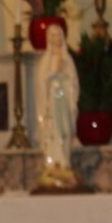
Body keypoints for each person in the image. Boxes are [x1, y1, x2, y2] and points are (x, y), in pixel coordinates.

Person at [34, 24, 81, 189]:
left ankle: (64, 162)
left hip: (64, 101)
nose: (57, 39)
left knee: (65, 130)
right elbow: (41, 83)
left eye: (59, 35)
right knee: (53, 131)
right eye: (53, 35)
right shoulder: (45, 61)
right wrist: (52, 74)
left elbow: (74, 82)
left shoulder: (68, 59)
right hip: (52, 103)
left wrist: (65, 78)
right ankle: (53, 164)